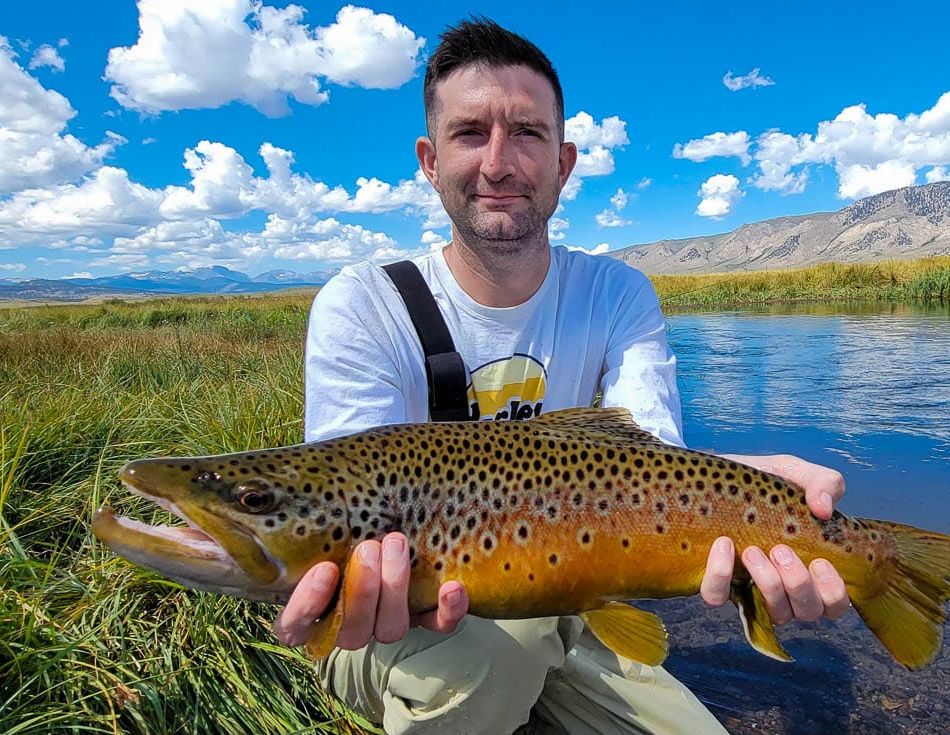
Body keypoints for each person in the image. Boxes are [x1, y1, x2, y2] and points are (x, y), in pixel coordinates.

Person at [273, 17, 850, 735]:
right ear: (427, 159)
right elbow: (351, 499)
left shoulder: (618, 294)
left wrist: (752, 488)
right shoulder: (364, 305)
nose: (498, 161)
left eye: (526, 132)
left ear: (565, 161)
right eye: (468, 133)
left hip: (574, 607)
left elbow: (650, 471)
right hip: (393, 625)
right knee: (493, 655)